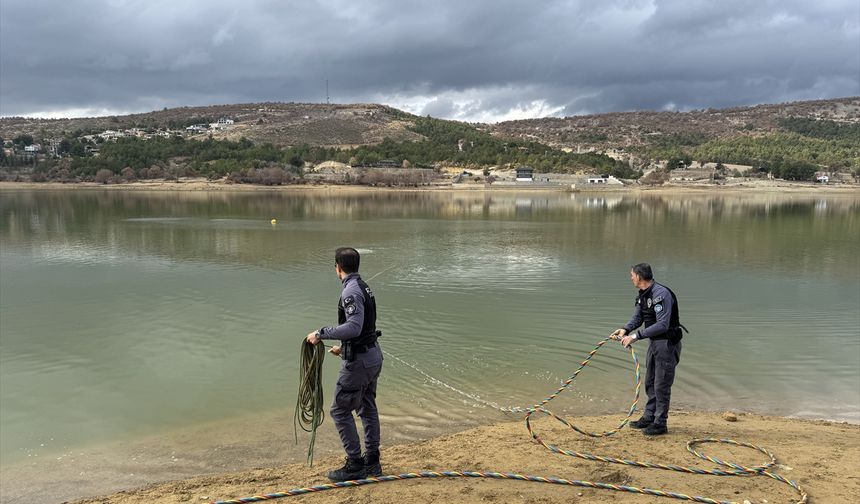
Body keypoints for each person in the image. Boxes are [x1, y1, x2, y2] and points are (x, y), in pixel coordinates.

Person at [306, 247, 383, 481]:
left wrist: (321, 333)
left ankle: (355, 464)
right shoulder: (363, 286)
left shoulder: (350, 292)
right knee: (367, 407)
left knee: (339, 410)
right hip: (372, 356)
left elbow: (354, 327)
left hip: (360, 363)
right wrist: (344, 347)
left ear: (337, 267)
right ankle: (372, 461)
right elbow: (364, 328)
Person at [610, 263, 685, 436]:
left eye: (632, 275)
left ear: (639, 276)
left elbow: (663, 324)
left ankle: (660, 423)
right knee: (650, 382)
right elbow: (638, 318)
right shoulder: (643, 295)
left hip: (667, 344)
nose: (630, 278)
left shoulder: (661, 294)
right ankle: (649, 417)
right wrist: (625, 329)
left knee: (661, 385)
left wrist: (635, 337)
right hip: (654, 344)